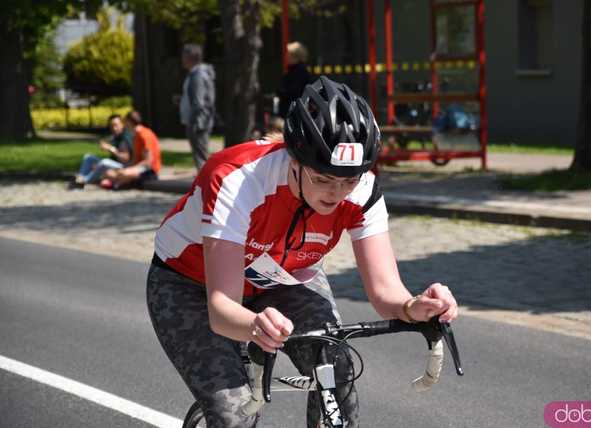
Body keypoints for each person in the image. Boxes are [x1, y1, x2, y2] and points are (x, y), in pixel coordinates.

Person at [147, 76, 458, 427]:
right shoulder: (238, 179)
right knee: (236, 412)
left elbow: (386, 290)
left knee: (337, 373)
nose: (336, 193)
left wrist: (413, 307)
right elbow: (222, 310)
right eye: (323, 179)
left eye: (349, 180)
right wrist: (255, 324)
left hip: (284, 279)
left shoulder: (363, 188)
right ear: (293, 160)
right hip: (191, 284)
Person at [68, 114, 132, 189]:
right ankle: (80, 177)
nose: (114, 128)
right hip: (114, 164)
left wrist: (111, 149)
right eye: (111, 126)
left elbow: (126, 158)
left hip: (126, 167)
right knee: (89, 157)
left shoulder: (126, 137)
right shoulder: (115, 137)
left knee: (105, 162)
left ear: (122, 124)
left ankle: (84, 180)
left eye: (116, 125)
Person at [101, 111, 161, 189]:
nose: (124, 125)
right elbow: (134, 159)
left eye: (125, 122)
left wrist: (130, 169)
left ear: (130, 122)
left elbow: (148, 162)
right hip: (138, 167)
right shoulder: (136, 135)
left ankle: (118, 183)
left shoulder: (145, 135)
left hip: (150, 171)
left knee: (123, 173)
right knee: (109, 172)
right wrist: (126, 168)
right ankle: (119, 182)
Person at [180, 43, 216, 171]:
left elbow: (198, 102)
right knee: (201, 156)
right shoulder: (195, 74)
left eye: (184, 56)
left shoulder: (198, 76)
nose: (182, 59)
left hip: (198, 124)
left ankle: (205, 185)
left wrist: (194, 123)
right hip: (198, 122)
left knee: (201, 157)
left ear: (191, 57)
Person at [277, 41, 312, 118]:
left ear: (295, 56)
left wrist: (281, 91)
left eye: (288, 54)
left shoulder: (299, 71)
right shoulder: (293, 70)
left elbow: (294, 91)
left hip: (294, 111)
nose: (286, 56)